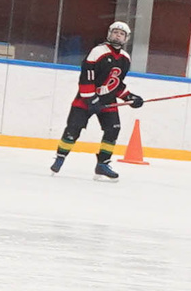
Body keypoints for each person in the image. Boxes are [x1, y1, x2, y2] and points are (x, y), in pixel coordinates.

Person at [51, 20, 143, 180]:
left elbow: (116, 84)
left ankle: (102, 164)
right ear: (109, 34)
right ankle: (60, 157)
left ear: (126, 38)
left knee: (113, 128)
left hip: (107, 101)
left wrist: (129, 97)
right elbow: (86, 77)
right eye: (115, 32)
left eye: (121, 34)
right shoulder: (98, 51)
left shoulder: (125, 58)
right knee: (73, 129)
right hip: (85, 99)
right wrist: (91, 99)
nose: (118, 35)